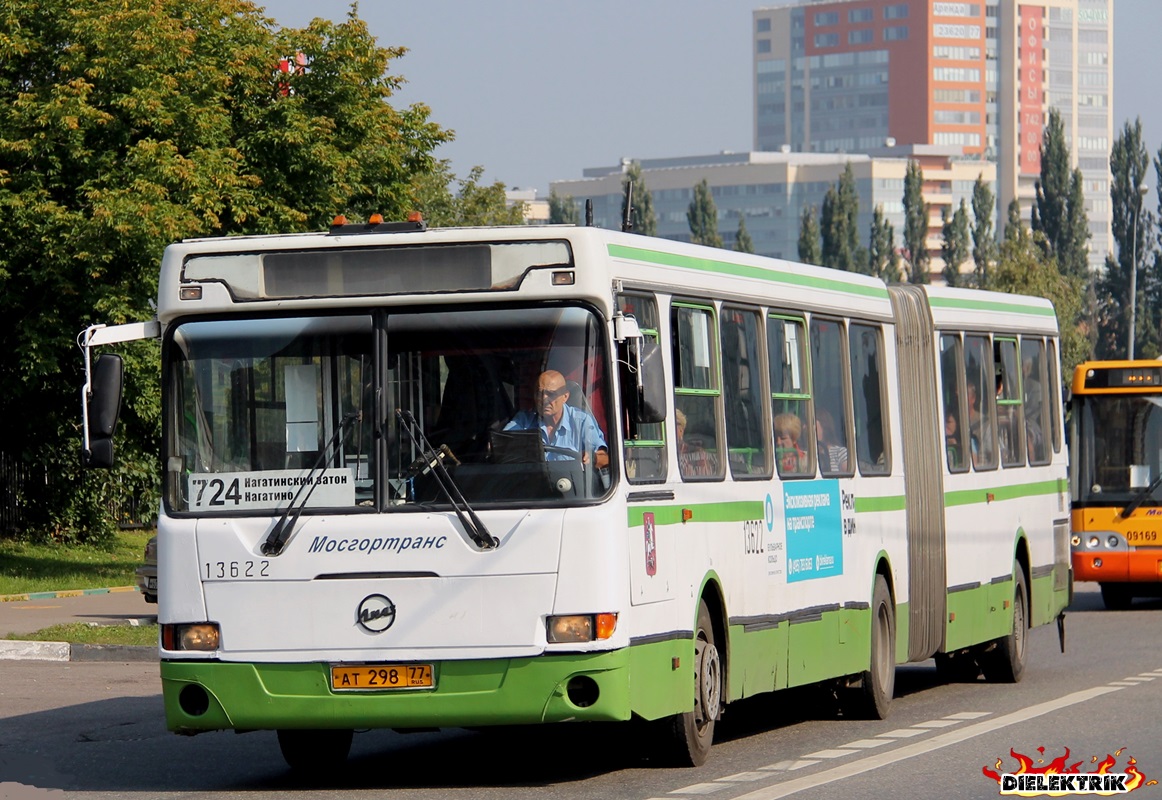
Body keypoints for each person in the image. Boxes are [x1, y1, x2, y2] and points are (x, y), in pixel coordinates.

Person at [504, 369, 609, 468]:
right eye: (539, 393)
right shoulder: (523, 421)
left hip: (574, 484)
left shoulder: (582, 421)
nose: (544, 399)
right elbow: (502, 448)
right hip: (532, 483)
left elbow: (605, 459)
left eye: (551, 394)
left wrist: (593, 458)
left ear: (565, 397)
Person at [676, 408, 716, 477]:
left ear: (681, 430)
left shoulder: (698, 453)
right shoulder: (661, 454)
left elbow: (705, 479)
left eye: (673, 424)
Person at [815, 407, 849, 473]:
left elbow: (849, 479)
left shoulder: (840, 452)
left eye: (813, 425)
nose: (805, 428)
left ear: (824, 426)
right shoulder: (806, 454)